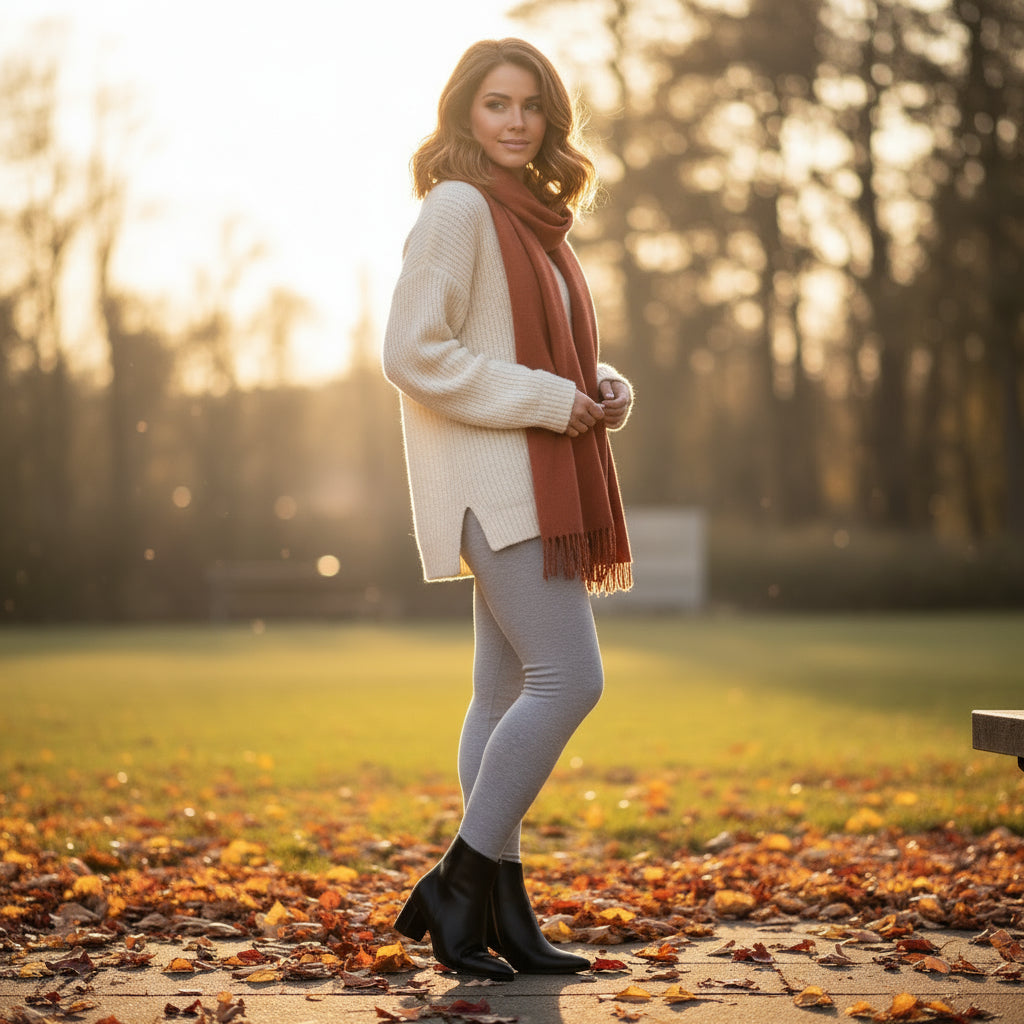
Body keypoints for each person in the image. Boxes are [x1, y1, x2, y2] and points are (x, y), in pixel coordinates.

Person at [382, 37, 634, 981]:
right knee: (570, 680)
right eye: (496, 104)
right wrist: (542, 399)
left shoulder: (534, 220)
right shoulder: (456, 208)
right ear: (463, 114)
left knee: (499, 696)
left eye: (530, 105)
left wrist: (600, 389)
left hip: (534, 474)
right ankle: (459, 879)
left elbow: (547, 354)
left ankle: (501, 910)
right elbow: (411, 350)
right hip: (499, 483)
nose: (516, 121)